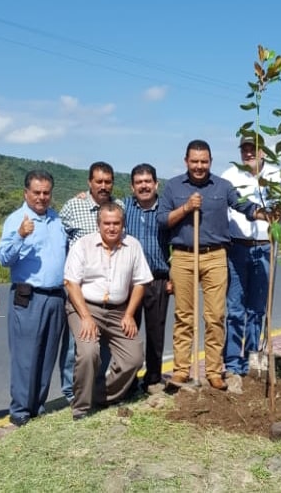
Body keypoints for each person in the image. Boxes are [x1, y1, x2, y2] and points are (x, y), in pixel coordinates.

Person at [158, 139, 266, 391]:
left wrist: (262, 213)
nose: (199, 166)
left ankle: (214, 370)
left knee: (215, 316)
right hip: (184, 256)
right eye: (194, 161)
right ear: (186, 161)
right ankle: (182, 370)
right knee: (184, 316)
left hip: (216, 255)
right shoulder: (173, 187)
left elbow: (242, 205)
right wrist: (186, 207)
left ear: (210, 161)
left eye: (204, 161)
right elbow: (163, 220)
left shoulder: (223, 185)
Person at [63, 201, 152, 420]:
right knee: (88, 353)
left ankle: (101, 397)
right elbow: (71, 283)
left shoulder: (133, 246)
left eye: (116, 223)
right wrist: (85, 317)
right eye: (107, 223)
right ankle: (81, 407)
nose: (111, 228)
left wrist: (129, 314)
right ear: (98, 224)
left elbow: (140, 282)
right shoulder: (83, 245)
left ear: (123, 224)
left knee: (134, 358)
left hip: (118, 310)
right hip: (85, 307)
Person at [0, 170, 68, 427]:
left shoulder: (56, 220)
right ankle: (20, 411)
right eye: (36, 192)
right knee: (25, 356)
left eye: (46, 193)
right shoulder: (17, 220)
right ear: (26, 193)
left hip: (55, 297)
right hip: (28, 296)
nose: (41, 197)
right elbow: (4, 259)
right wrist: (20, 235)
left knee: (47, 355)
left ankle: (37, 408)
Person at [58, 161, 120, 402]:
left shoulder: (118, 207)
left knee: (101, 343)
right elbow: (57, 236)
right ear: (89, 183)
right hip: (79, 288)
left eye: (108, 181)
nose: (103, 186)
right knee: (77, 343)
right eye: (98, 181)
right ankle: (69, 392)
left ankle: (95, 387)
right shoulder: (74, 206)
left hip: (106, 289)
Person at [221, 135, 281, 377]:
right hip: (237, 246)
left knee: (257, 309)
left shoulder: (277, 178)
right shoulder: (230, 177)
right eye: (244, 149)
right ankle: (234, 363)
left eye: (253, 150)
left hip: (264, 246)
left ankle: (253, 358)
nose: (248, 154)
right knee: (235, 308)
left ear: (263, 152)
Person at [123, 163, 172, 392]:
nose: (144, 186)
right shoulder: (124, 207)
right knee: (128, 330)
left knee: (155, 331)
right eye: (139, 182)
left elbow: (177, 243)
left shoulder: (166, 209)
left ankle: (152, 379)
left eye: (147, 181)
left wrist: (172, 276)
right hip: (129, 280)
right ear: (132, 186)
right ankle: (128, 381)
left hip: (157, 278)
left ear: (156, 184)